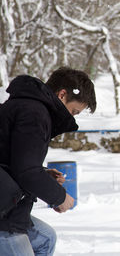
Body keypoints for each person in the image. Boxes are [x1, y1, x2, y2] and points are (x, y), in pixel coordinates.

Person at [0, 67, 96, 255]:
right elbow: (26, 172)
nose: (72, 117)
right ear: (62, 94)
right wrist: (59, 198)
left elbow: (12, 158)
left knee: (46, 238)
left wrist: (42, 172)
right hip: (4, 217)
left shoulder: (28, 107)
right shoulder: (34, 114)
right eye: (74, 111)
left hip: (9, 204)